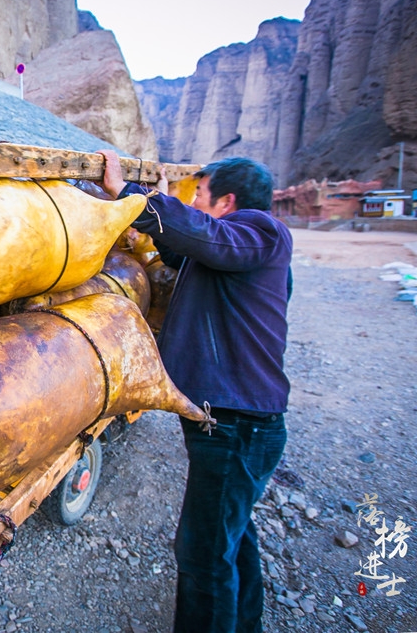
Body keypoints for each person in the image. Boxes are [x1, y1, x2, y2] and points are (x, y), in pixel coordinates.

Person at [100, 151, 292, 633]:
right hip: (232, 425)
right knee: (231, 534)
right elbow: (190, 250)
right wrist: (160, 212)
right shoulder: (236, 250)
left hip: (237, 427)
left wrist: (134, 197)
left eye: (201, 196)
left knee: (202, 555)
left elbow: (210, 237)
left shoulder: (263, 233)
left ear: (228, 202)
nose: (196, 204)